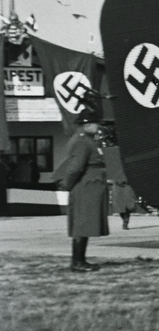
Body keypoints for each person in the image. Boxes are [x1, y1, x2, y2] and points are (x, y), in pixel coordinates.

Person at [57, 95, 110, 272]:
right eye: (96, 123)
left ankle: (80, 260)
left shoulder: (85, 140)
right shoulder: (82, 142)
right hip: (86, 186)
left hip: (89, 185)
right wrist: (67, 184)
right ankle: (78, 262)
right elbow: (75, 168)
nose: (98, 126)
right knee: (82, 224)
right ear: (87, 125)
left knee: (84, 224)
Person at [102, 124, 140, 230]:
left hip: (127, 183)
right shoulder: (113, 153)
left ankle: (126, 221)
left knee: (129, 205)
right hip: (117, 182)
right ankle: (124, 220)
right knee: (119, 206)